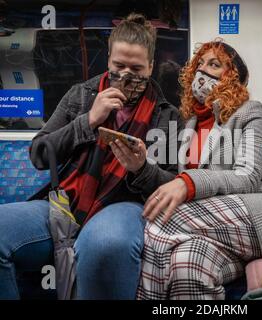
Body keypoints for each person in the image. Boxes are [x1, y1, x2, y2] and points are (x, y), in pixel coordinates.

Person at [0, 13, 183, 300]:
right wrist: (88, 121)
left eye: (136, 68)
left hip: (125, 204)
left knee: (105, 243)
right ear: (108, 59)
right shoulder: (81, 96)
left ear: (150, 66)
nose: (126, 76)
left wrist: (141, 169)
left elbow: (171, 184)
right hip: (67, 202)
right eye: (118, 66)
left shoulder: (167, 115)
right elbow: (39, 154)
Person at [136, 41, 262, 300]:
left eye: (214, 64)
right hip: (218, 230)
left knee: (163, 218)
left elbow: (247, 177)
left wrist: (188, 183)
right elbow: (178, 181)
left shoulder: (250, 112)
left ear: (233, 77)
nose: (203, 71)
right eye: (199, 64)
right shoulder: (188, 124)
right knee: (186, 263)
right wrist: (142, 167)